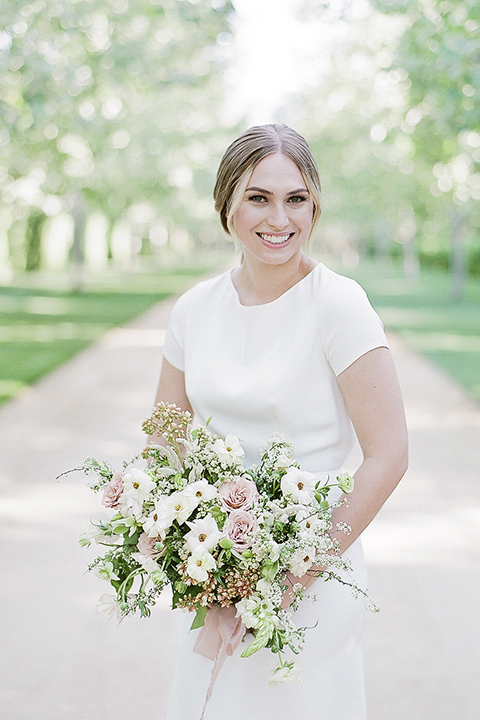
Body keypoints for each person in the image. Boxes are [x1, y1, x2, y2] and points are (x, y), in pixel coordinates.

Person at [155, 124, 408, 720]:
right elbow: (165, 438)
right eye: (258, 197)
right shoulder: (193, 309)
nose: (280, 218)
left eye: (297, 199)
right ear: (227, 205)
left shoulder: (338, 304)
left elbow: (389, 455)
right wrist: (195, 550)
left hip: (313, 564)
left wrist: (284, 581)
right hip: (217, 564)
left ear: (314, 206)